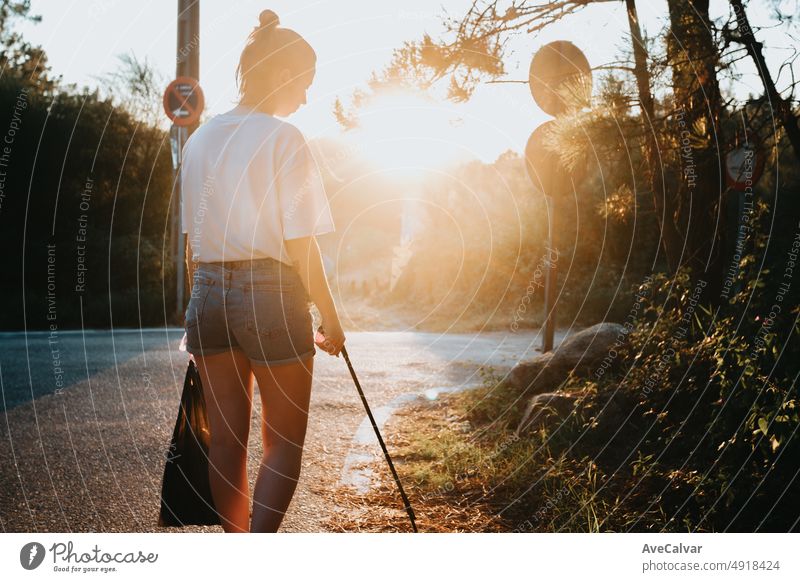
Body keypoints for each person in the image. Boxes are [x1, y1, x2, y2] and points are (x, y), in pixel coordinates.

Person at [179, 9, 345, 533]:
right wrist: (331, 316)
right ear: (281, 74)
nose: (306, 97)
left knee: (227, 441)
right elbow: (302, 244)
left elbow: (192, 247)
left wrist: (205, 304)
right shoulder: (284, 138)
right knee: (284, 444)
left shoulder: (200, 139)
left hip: (205, 292)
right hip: (270, 293)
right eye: (306, 83)